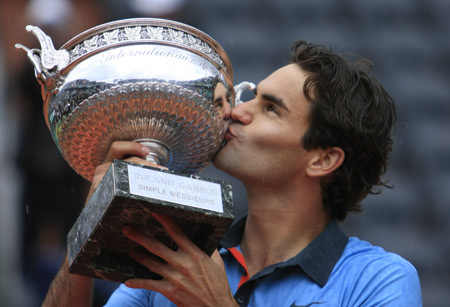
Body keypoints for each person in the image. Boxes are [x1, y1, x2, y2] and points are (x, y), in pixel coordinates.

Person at [42, 40, 422, 306]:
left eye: (271, 109)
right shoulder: (177, 254)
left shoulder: (378, 280)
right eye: (253, 96)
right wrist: (90, 226)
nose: (237, 111)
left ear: (322, 160)